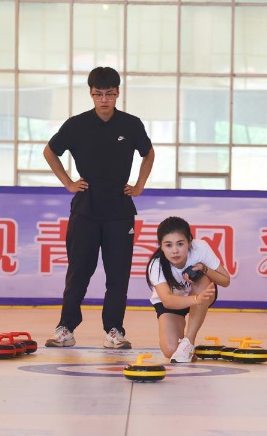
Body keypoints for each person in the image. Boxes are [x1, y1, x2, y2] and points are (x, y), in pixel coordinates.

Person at [43, 66, 155, 349]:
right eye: (98, 94)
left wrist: (139, 185)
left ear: (118, 93)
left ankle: (114, 330)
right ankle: (65, 328)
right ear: (91, 94)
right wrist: (68, 182)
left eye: (109, 94)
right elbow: (50, 151)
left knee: (118, 275)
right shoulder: (76, 125)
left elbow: (148, 153)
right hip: (85, 210)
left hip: (120, 211)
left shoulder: (131, 124)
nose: (104, 100)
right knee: (78, 271)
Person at [145, 216, 230, 362]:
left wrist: (204, 269)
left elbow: (225, 280)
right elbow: (167, 301)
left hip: (201, 293)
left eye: (180, 244)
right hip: (176, 303)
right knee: (170, 350)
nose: (175, 251)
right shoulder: (156, 264)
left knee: (202, 278)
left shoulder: (200, 248)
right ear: (160, 245)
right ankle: (186, 348)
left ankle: (188, 341)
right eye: (168, 245)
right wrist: (196, 300)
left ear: (189, 242)